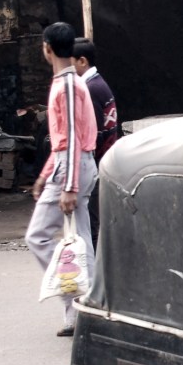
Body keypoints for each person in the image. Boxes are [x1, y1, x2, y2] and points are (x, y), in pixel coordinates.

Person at [25, 22, 98, 337]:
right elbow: (64, 139)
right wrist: (44, 176)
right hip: (77, 164)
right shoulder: (71, 82)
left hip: (73, 168)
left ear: (47, 48)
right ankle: (86, 310)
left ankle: (78, 303)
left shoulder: (67, 85)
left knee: (38, 236)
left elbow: (69, 137)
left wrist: (67, 186)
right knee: (81, 240)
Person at [71, 37, 119, 253]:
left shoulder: (90, 89)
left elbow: (96, 133)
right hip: (105, 160)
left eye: (70, 62)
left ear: (82, 61)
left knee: (91, 222)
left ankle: (95, 270)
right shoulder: (99, 83)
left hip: (98, 163)